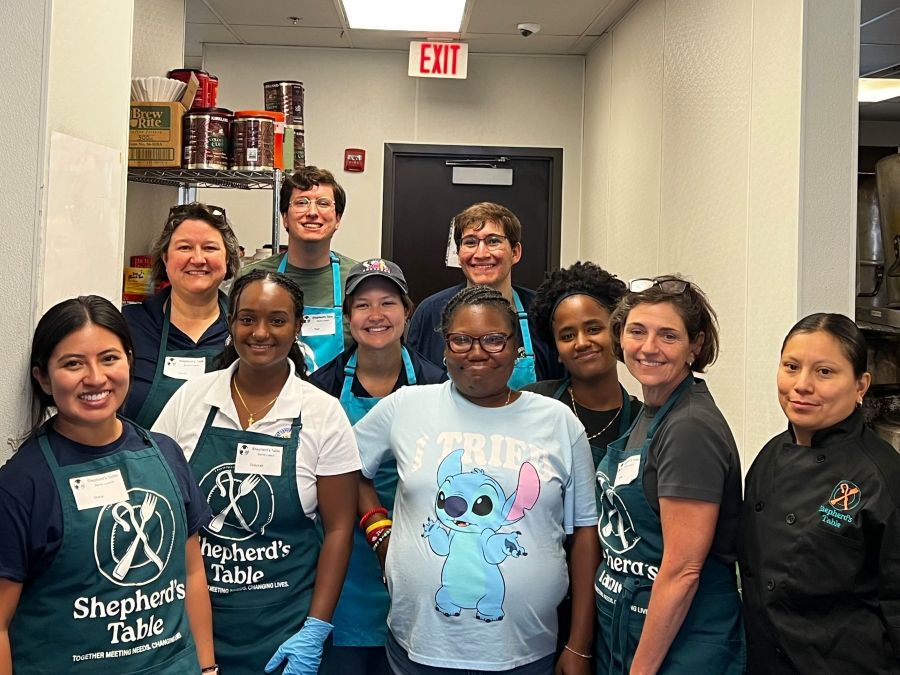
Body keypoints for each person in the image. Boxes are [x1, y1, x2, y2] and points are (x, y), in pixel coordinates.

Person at [355, 285, 600, 674]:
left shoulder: (557, 421)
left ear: (516, 347)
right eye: (461, 340)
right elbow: (347, 469)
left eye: (493, 339)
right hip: (419, 648)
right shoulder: (407, 407)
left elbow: (585, 534)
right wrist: (379, 532)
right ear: (445, 347)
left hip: (526, 652)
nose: (477, 351)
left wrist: (580, 644)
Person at [153, 269, 360, 674]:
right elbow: (161, 499)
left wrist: (314, 629)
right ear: (231, 323)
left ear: (297, 327)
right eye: (247, 318)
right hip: (194, 627)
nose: (260, 332)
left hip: (284, 630)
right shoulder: (192, 399)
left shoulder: (321, 413)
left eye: (277, 320)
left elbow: (338, 529)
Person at [0, 296, 214, 674]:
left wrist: (207, 667)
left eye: (109, 358)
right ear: (43, 378)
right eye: (73, 364)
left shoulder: (165, 453)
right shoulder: (21, 484)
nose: (96, 378)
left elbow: (192, 573)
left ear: (130, 361)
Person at [596, 275, 745, 673]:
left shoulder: (689, 428)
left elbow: (682, 571)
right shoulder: (651, 411)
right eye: (637, 331)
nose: (649, 348)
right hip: (633, 632)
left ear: (695, 346)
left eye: (668, 336)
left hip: (684, 646)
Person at [739, 313, 900, 673]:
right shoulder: (768, 457)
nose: (802, 385)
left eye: (824, 372)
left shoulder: (881, 476)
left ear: (861, 386)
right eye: (791, 367)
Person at [311, 258, 445, 674]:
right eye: (362, 305)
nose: (376, 316)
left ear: (407, 311)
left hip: (422, 557)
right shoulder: (321, 389)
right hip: (343, 562)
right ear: (348, 317)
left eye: (387, 302)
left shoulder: (437, 386)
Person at [407, 202, 563, 389]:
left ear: (515, 252)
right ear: (459, 253)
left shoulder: (542, 311)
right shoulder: (430, 312)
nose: (481, 253)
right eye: (470, 242)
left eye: (493, 241)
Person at [123, 202, 240, 428]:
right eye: (185, 247)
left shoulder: (244, 329)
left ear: (227, 259)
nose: (197, 259)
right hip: (144, 460)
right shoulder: (129, 325)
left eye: (210, 248)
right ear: (165, 257)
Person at [523, 261, 642, 467]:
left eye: (594, 329)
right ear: (557, 351)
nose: (582, 343)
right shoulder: (532, 403)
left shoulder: (641, 421)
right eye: (567, 336)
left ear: (618, 333)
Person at [242, 166, 358, 373]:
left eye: (323, 203)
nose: (312, 212)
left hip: (337, 401)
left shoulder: (356, 279)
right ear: (285, 217)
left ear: (338, 219)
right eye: (302, 202)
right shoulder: (252, 279)